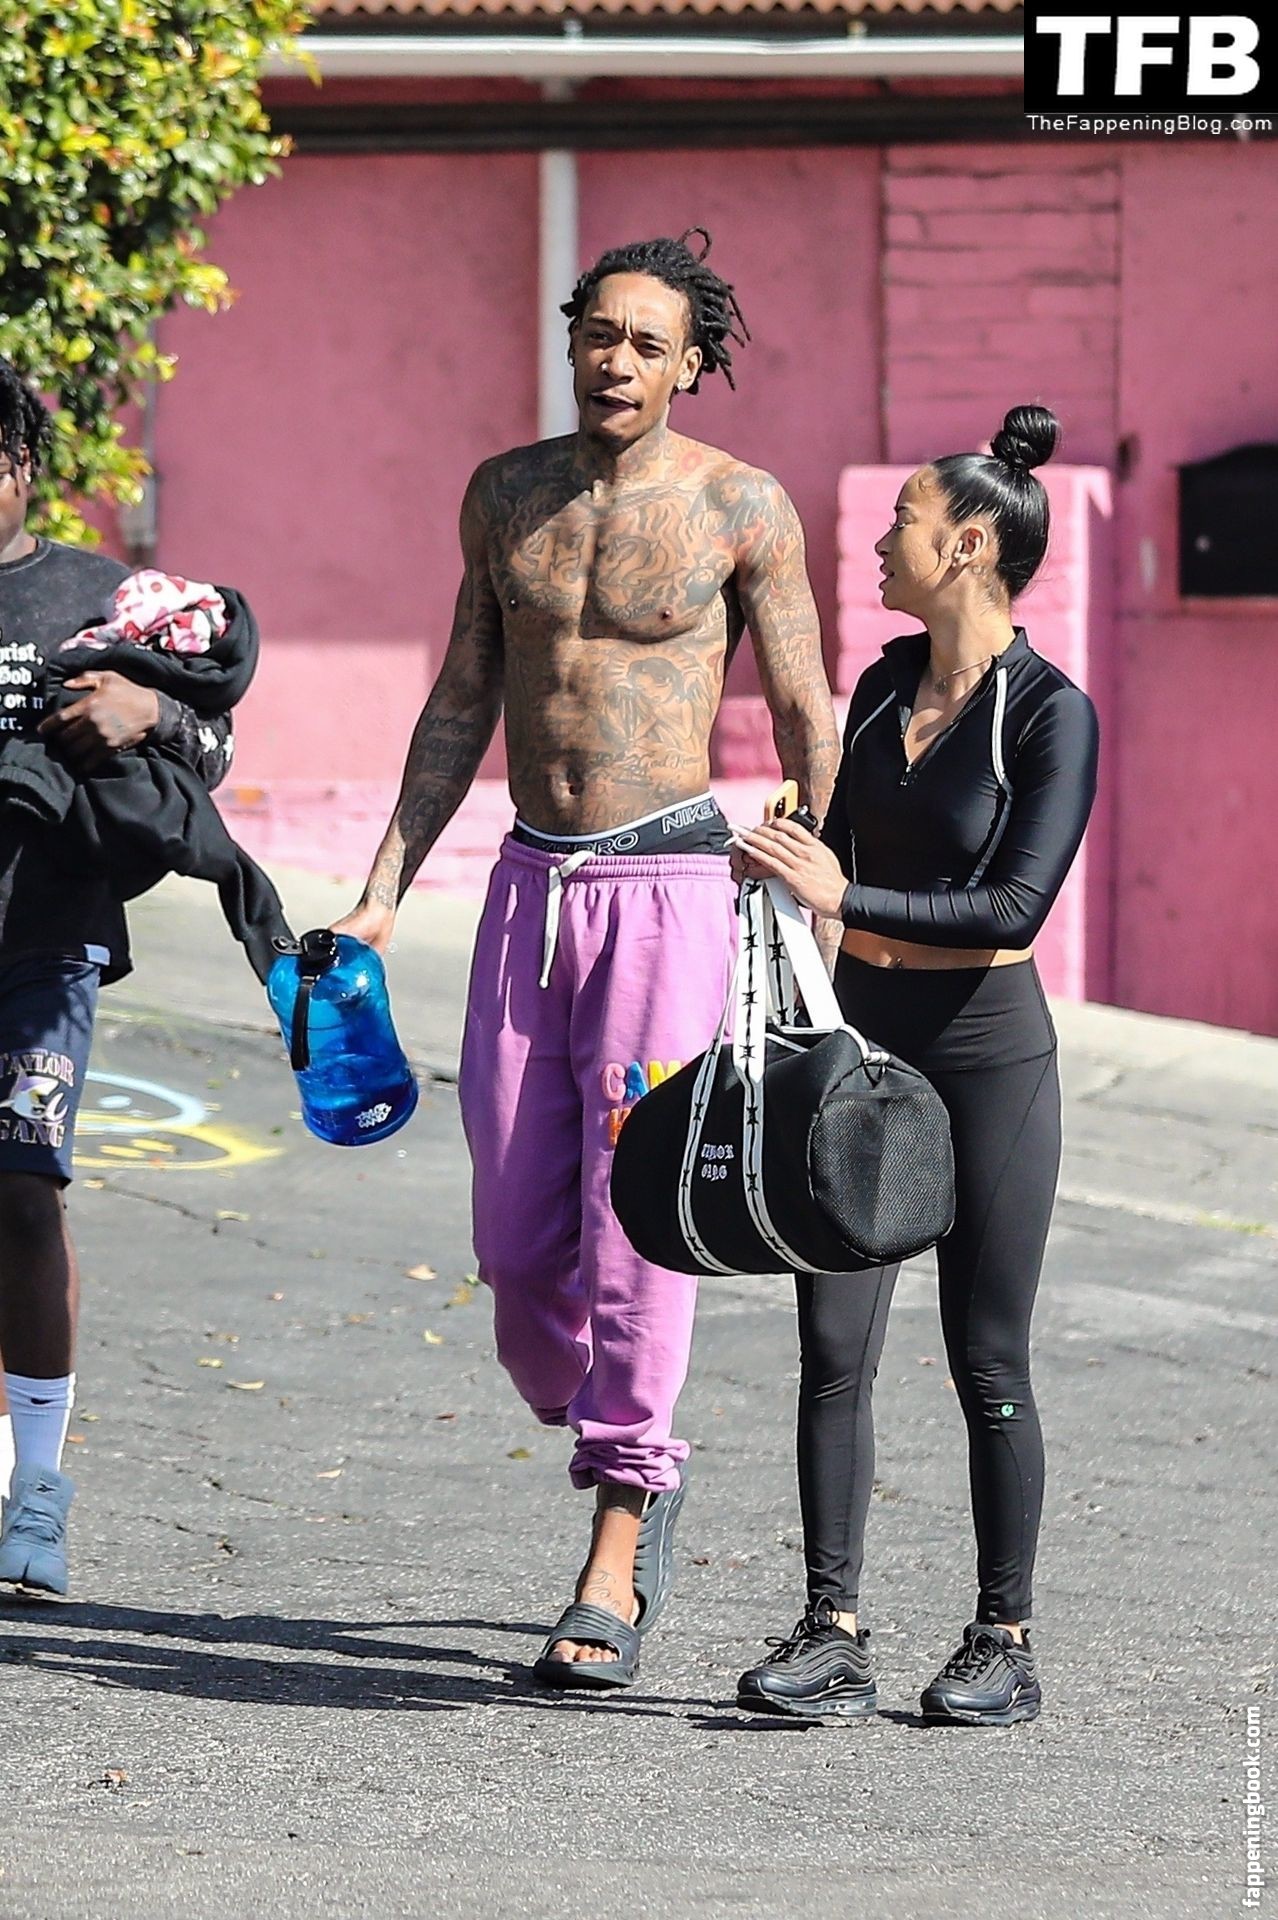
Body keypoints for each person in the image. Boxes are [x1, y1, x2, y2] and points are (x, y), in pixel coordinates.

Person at [335, 232, 839, 1689]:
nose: (616, 360)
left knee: (637, 1220)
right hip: (529, 887)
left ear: (689, 365)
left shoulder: (742, 504)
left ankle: (620, 1520)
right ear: (573, 342)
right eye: (597, 334)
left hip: (672, 887)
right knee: (513, 1242)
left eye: (645, 343)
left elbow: (805, 709)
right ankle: (625, 1428)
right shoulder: (507, 494)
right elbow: (460, 697)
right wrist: (381, 892)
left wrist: (813, 883)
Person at [732, 405, 1099, 1726]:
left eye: (902, 521)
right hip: (864, 1044)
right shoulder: (886, 682)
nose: (881, 542)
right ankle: (831, 1627)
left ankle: (1003, 1637)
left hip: (988, 1056)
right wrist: (792, 846)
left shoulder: (1051, 715)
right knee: (831, 1347)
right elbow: (836, 842)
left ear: (969, 545)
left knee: (984, 1357)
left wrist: (846, 892)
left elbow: (1014, 906)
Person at [0, 360, 234, 1596]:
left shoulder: (99, 597)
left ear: (24, 468)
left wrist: (148, 714)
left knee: (22, 1190)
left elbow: (214, 741)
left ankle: (37, 1487)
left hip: (45, 942)